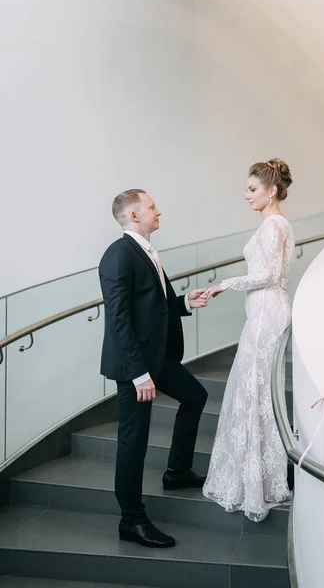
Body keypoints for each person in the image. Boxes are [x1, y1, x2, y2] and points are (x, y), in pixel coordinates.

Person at [99, 189, 208, 548]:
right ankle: (131, 520)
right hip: (137, 366)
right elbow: (118, 320)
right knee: (133, 442)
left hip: (157, 357)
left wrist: (184, 302)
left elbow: (153, 307)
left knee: (195, 395)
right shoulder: (118, 255)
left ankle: (176, 471)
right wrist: (138, 373)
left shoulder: (145, 251)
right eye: (151, 207)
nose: (158, 211)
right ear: (134, 215)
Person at [202, 158, 295, 522]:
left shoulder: (274, 224)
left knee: (256, 392)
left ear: (272, 191)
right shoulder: (277, 224)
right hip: (265, 311)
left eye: (253, 189)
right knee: (255, 391)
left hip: (267, 312)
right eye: (246, 189)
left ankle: (259, 484)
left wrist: (223, 284)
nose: (247, 196)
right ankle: (259, 478)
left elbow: (267, 274)